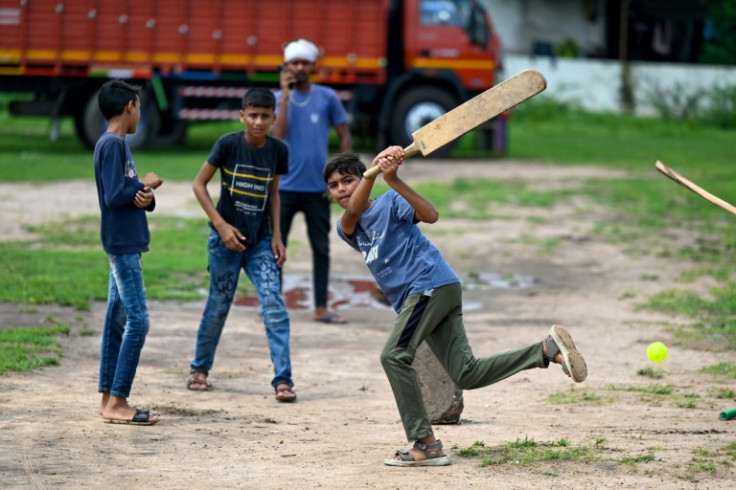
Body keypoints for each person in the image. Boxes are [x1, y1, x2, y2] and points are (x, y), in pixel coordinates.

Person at [323, 147, 588, 466]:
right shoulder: (346, 227)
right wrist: (376, 171)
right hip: (430, 292)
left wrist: (392, 179)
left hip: (429, 285)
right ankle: (544, 351)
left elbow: (431, 215)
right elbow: (352, 212)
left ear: (361, 179)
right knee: (466, 373)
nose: (341, 189)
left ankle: (426, 444)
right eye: (334, 185)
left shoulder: (390, 202)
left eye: (348, 180)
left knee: (393, 356)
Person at [187, 88, 297, 402]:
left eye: (265, 116)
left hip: (260, 242)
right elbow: (199, 184)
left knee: (274, 304)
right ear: (242, 116)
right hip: (226, 242)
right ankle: (199, 369)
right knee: (219, 304)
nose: (258, 121)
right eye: (253, 115)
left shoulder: (278, 150)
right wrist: (221, 226)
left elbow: (274, 194)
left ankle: (283, 380)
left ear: (274, 118)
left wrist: (277, 236)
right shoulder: (227, 144)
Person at [94, 79, 163, 425]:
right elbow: (113, 194)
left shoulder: (118, 145)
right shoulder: (113, 145)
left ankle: (108, 400)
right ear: (130, 107)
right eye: (139, 106)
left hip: (125, 240)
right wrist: (145, 184)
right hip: (122, 245)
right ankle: (119, 400)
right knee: (139, 320)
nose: (140, 112)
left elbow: (128, 195)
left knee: (116, 320)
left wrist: (146, 197)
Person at [272, 38, 352, 325]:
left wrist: (342, 176)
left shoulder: (327, 97)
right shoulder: (279, 99)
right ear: (286, 65)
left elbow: (344, 134)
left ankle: (320, 307)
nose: (299, 67)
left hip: (318, 190)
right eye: (294, 62)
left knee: (321, 249)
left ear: (313, 65)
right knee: (275, 249)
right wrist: (283, 94)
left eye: (304, 62)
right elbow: (278, 135)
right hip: (283, 190)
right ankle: (273, 306)